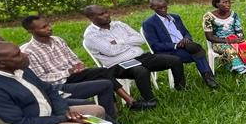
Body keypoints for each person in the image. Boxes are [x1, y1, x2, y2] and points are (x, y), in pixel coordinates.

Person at [21, 14, 151, 116]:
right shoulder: (29, 51)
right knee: (103, 78)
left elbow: (72, 58)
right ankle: (125, 104)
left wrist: (78, 65)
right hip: (59, 83)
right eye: (43, 27)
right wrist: (68, 72)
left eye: (48, 24)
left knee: (103, 72)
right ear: (31, 31)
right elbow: (41, 78)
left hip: (75, 74)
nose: (49, 28)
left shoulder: (57, 40)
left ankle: (123, 105)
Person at [81, 5, 188, 97]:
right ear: (91, 18)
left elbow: (140, 39)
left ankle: (180, 90)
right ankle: (149, 100)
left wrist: (119, 42)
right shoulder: (91, 35)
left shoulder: (119, 25)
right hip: (118, 64)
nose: (106, 15)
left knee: (175, 60)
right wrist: (129, 42)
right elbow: (111, 51)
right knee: (140, 70)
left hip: (141, 57)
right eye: (101, 14)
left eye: (106, 12)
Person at [142, 0, 220, 87]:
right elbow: (155, 46)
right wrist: (176, 45)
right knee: (198, 52)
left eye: (164, 6)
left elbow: (186, 32)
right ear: (152, 7)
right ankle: (209, 78)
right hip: (169, 51)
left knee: (193, 48)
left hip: (185, 46)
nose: (163, 10)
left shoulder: (175, 17)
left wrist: (186, 38)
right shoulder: (149, 23)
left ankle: (208, 78)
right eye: (159, 8)